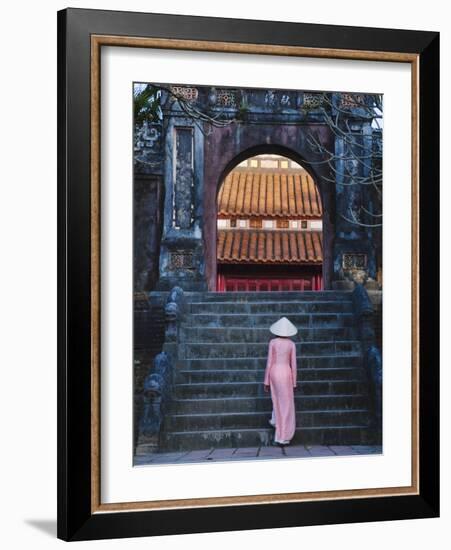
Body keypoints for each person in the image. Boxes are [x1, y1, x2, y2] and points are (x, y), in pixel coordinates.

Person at [263, 317, 298, 446]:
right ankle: (282, 436)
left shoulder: (272, 342)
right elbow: (293, 365)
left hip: (274, 372)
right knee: (286, 405)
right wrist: (294, 382)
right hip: (286, 372)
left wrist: (266, 381)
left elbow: (269, 362)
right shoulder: (291, 344)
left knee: (277, 400)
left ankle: (275, 421)